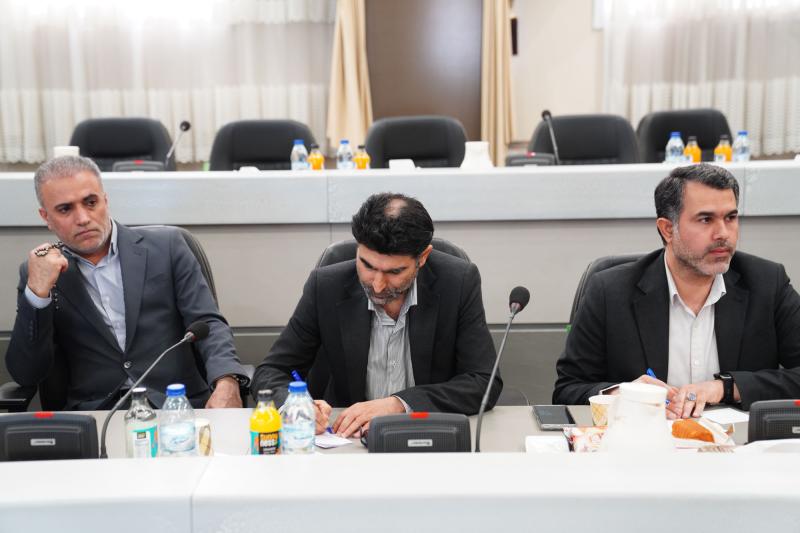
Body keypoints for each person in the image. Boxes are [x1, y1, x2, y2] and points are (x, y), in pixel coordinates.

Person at [554, 163, 800, 418]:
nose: (723, 233)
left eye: (730, 218)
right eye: (705, 219)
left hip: (738, 440)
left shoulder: (767, 283)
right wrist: (621, 393)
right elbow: (567, 389)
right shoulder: (609, 292)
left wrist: (726, 388)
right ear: (668, 229)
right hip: (645, 438)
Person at [5, 155, 248, 409]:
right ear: (46, 217)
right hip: (98, 414)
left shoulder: (167, 247)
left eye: (90, 202)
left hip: (176, 407)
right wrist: (37, 294)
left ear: (105, 200)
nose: (83, 218)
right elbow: (26, 374)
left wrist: (226, 381)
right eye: (65, 209)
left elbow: (208, 323)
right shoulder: (41, 272)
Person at [251, 192, 501, 437]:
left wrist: (399, 404)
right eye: (367, 266)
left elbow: (484, 381)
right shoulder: (326, 286)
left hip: (426, 434)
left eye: (394, 272)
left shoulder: (457, 282)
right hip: (346, 438)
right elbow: (271, 371)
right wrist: (295, 406)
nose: (378, 285)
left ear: (422, 257)